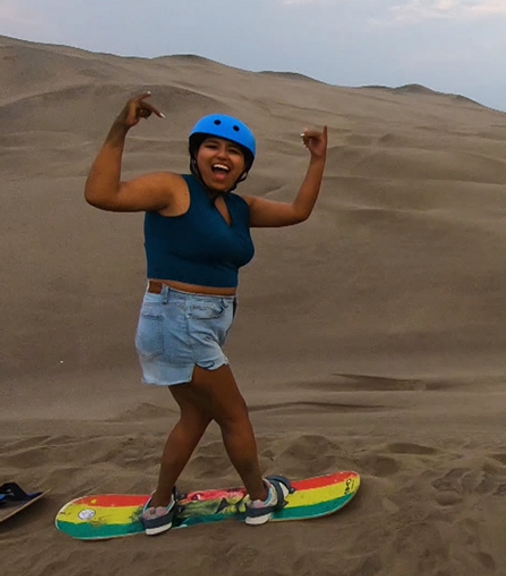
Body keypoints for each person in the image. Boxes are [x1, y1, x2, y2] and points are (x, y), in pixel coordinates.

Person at [83, 92, 329, 536]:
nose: (223, 156)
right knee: (235, 415)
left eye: (235, 151)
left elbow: (297, 212)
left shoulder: (239, 207)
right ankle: (259, 497)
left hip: (199, 321)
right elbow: (102, 195)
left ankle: (159, 508)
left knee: (196, 417)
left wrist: (317, 160)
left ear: (244, 166)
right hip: (179, 318)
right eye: (213, 146)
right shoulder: (173, 189)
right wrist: (121, 127)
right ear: (196, 154)